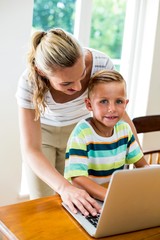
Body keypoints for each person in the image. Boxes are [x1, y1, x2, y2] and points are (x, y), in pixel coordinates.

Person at [16, 28, 141, 215]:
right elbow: (31, 149)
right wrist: (64, 187)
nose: (77, 86)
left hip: (80, 135)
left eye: (82, 75)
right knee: (44, 207)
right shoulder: (29, 82)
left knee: (80, 205)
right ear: (41, 71)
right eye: (66, 83)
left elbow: (119, 115)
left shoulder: (100, 63)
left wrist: (141, 162)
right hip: (44, 138)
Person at [64, 69, 149, 201]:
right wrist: (110, 197)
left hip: (111, 196)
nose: (112, 109)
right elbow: (78, 178)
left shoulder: (124, 130)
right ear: (89, 104)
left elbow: (143, 166)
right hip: (85, 201)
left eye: (119, 101)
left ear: (126, 104)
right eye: (103, 101)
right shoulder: (82, 133)